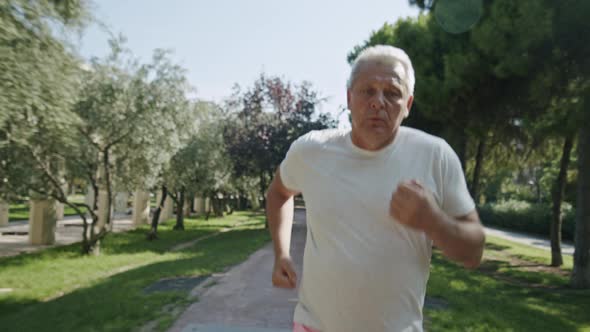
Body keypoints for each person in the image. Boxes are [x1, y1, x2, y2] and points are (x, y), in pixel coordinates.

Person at [266, 45, 485, 332]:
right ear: (349, 98)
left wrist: (434, 221)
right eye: (367, 91)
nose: (377, 102)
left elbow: (474, 252)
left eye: (392, 93)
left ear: (408, 104)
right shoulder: (312, 150)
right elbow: (279, 193)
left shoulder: (435, 156)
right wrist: (282, 253)